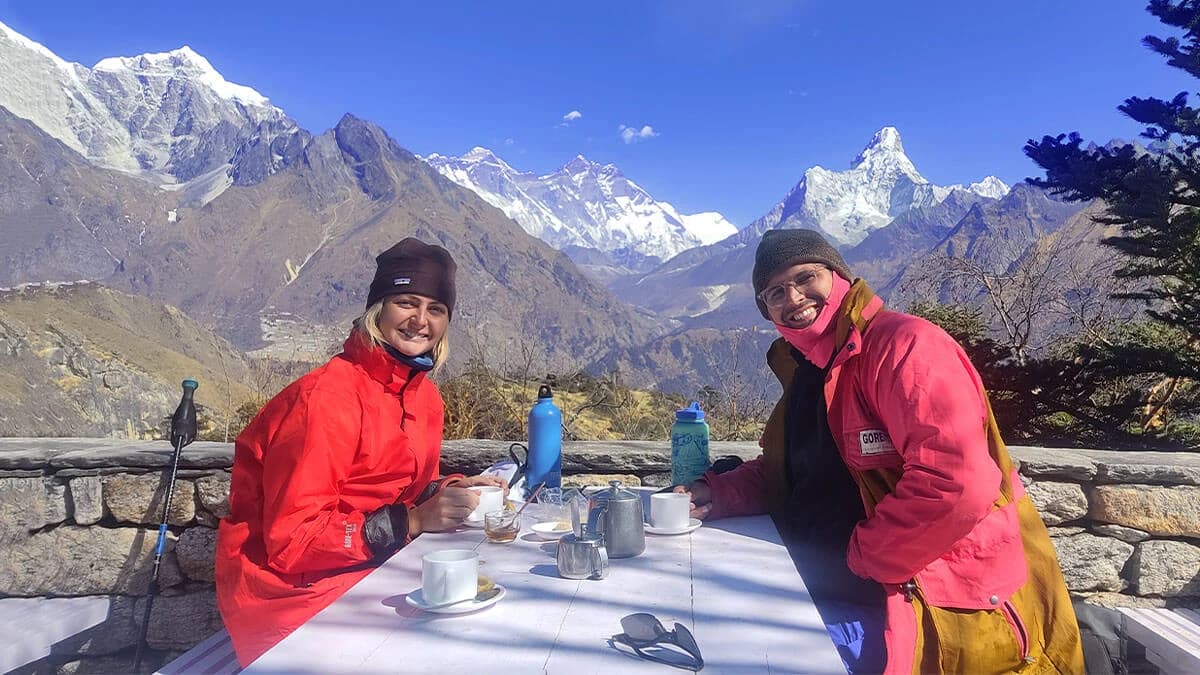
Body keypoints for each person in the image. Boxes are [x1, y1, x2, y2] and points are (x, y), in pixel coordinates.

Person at [677, 229, 1085, 674]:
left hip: (917, 598)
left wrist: (859, 558)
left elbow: (955, 483)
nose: (793, 297)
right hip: (824, 580)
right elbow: (791, 468)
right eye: (775, 292)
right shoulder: (810, 367)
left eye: (805, 277)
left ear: (839, 277)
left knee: (735, 655)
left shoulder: (903, 347)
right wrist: (715, 493)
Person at [215, 238, 505, 666]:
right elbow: (293, 541)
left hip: (365, 574)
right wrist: (414, 520)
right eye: (406, 302)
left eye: (436, 309)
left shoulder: (423, 398)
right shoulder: (326, 399)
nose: (420, 321)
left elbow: (393, 484)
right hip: (291, 599)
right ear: (379, 309)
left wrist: (448, 489)